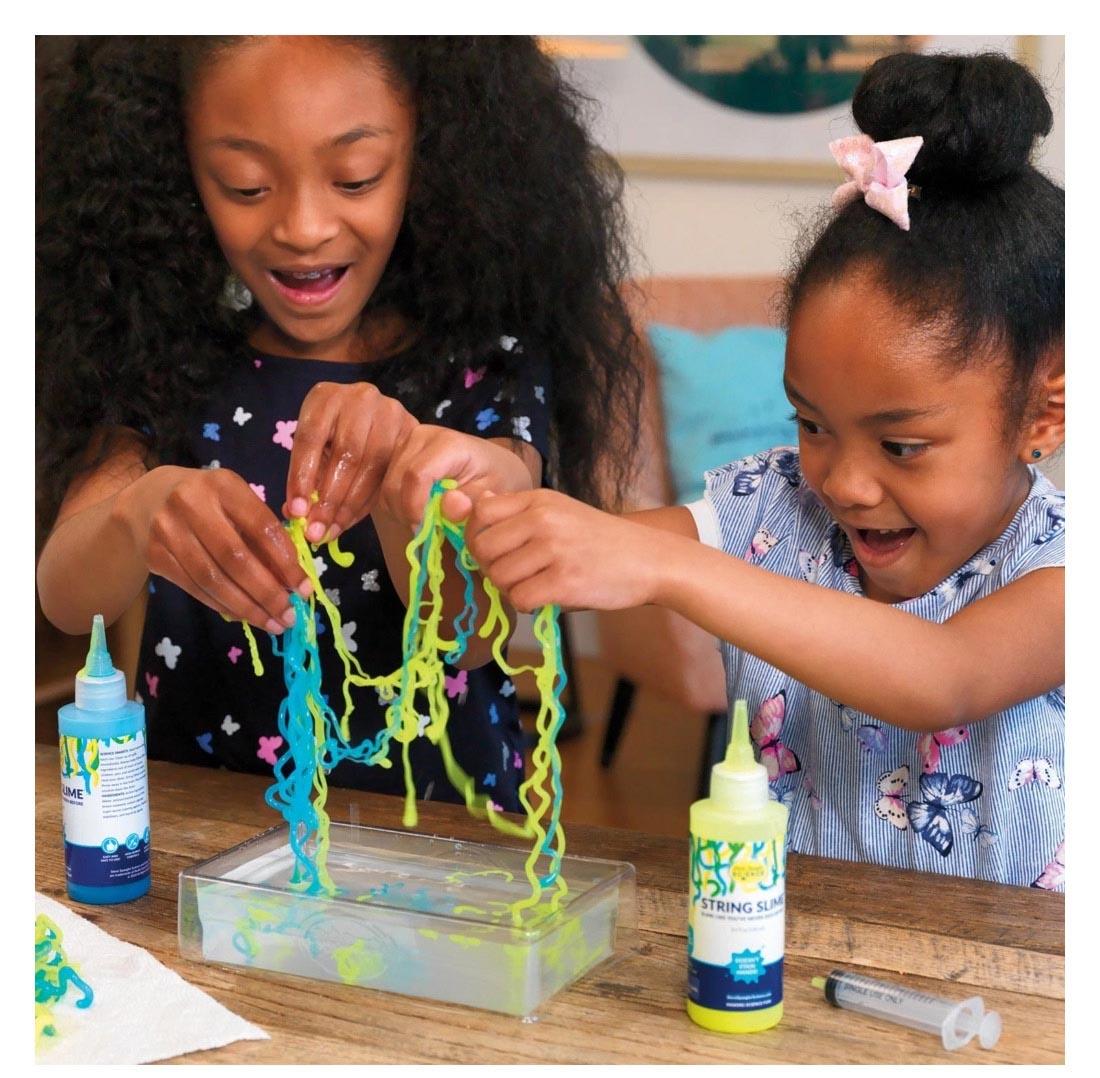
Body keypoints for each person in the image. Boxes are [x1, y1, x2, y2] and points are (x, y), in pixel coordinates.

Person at [456, 52, 1066, 888]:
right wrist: (466, 490)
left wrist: (670, 565)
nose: (843, 483)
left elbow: (942, 677)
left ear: (1044, 414)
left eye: (901, 446)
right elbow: (570, 553)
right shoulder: (770, 502)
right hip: (789, 952)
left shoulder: (1064, 569)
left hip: (1016, 987)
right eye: (811, 423)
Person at [35, 36, 643, 814]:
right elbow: (62, 595)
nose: (304, 226)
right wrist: (134, 514)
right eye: (246, 185)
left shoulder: (488, 361)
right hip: (204, 829)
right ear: (170, 171)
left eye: (355, 178)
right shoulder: (162, 355)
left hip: (439, 838)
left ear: (435, 154)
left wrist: (405, 483)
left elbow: (472, 627)